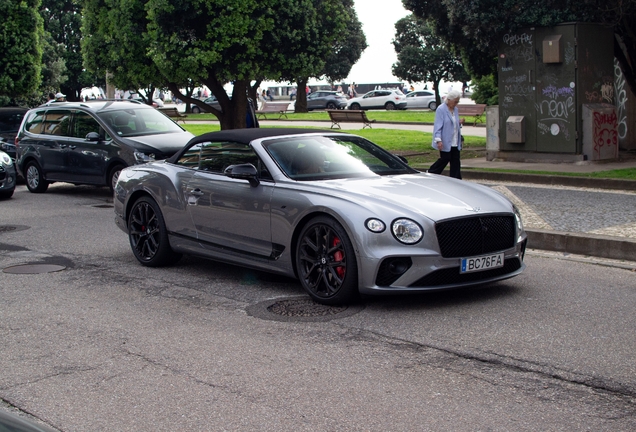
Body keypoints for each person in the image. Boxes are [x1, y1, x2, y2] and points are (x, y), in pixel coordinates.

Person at [427, 89, 464, 179]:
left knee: (455, 160)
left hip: (455, 139)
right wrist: (438, 140)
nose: (456, 104)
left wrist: (460, 123)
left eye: (457, 102)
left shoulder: (455, 110)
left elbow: (453, 123)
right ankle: (432, 171)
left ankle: (456, 178)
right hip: (445, 139)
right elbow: (438, 126)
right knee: (445, 158)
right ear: (449, 100)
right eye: (455, 101)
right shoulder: (441, 109)